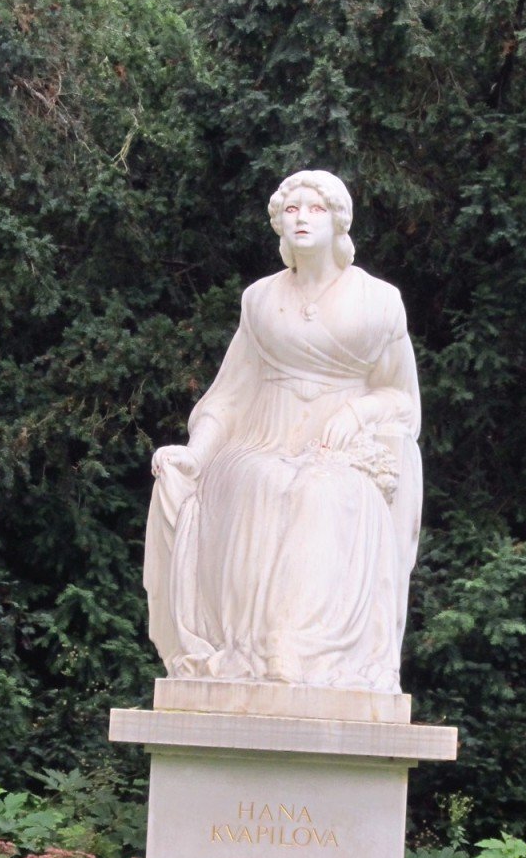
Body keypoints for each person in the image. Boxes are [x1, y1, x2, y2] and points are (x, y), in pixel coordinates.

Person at [144, 169, 422, 693]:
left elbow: (402, 398)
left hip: (342, 448)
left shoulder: (379, 302)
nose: (301, 219)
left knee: (322, 492)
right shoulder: (260, 300)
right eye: (291, 210)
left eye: (315, 209)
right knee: (260, 483)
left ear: (339, 222)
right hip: (261, 438)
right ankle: (247, 651)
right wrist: (195, 452)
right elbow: (228, 395)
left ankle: (297, 651)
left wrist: (358, 413)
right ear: (277, 224)